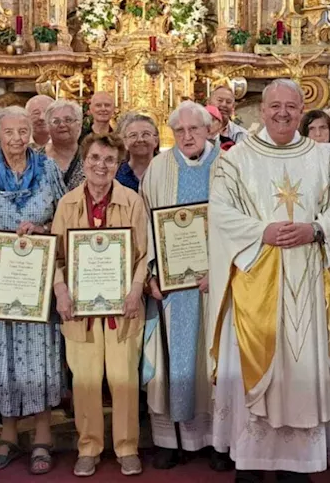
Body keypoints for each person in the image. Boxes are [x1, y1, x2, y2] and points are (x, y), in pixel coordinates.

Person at [209, 79, 330, 481]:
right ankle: (252, 466)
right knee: (256, 372)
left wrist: (317, 228)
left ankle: (297, 466)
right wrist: (261, 232)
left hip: (308, 282)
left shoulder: (324, 157)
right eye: (275, 106)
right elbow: (220, 213)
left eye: (292, 106)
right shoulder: (236, 159)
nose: (283, 113)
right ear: (262, 109)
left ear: (303, 109)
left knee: (304, 369)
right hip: (257, 281)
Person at [0, 107, 67, 475]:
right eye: (9, 131)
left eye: (23, 130)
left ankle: (43, 435)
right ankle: (7, 434)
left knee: (39, 351)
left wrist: (42, 231)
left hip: (37, 271)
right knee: (2, 352)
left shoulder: (49, 167)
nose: (16, 138)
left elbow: (64, 215)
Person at [52, 133, 152, 477]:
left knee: (124, 379)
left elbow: (143, 255)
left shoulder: (133, 201)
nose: (101, 166)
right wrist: (60, 290)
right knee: (86, 380)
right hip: (81, 312)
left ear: (118, 164)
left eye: (109, 160)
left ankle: (127, 447)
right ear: (85, 161)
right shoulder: (66, 205)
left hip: (123, 307)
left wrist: (137, 288)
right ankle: (88, 446)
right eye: (95, 158)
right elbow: (57, 256)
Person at [140, 102, 227, 471]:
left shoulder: (227, 166)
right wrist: (151, 273)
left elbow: (239, 223)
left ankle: (218, 441)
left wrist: (221, 270)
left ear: (210, 129)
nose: (188, 137)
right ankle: (169, 439)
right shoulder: (160, 167)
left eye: (195, 129)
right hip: (172, 287)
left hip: (216, 284)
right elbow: (144, 223)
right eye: (180, 131)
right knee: (170, 362)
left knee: (216, 358)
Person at [45, 98, 85, 191]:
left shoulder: (91, 158)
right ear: (48, 127)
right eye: (56, 121)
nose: (62, 125)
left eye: (68, 120)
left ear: (79, 125)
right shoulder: (34, 159)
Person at [116, 113, 158, 191]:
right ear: (125, 142)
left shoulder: (168, 172)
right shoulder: (116, 174)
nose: (140, 140)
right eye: (133, 135)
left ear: (156, 140)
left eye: (146, 134)